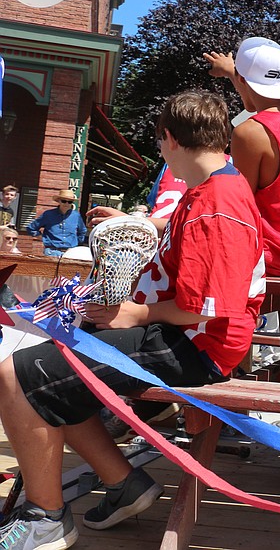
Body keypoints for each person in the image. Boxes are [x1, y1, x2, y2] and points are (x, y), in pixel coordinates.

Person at [0, 90, 265, 549]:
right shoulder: (216, 187)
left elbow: (208, 305)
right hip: (182, 334)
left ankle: (45, 520)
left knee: (18, 377)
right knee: (50, 372)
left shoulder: (215, 203)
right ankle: (124, 482)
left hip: (194, 345)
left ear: (168, 140)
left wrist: (136, 313)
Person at [203, 37, 280, 278]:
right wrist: (234, 73)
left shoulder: (249, 133)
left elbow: (241, 208)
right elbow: (257, 105)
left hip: (278, 257)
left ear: (242, 79)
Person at [26, 189, 87, 257]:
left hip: (70, 252)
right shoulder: (48, 214)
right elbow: (31, 228)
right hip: (51, 252)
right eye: (64, 201)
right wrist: (43, 238)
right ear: (59, 201)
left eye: (69, 202)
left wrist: (76, 242)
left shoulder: (76, 216)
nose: (66, 204)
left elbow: (82, 231)